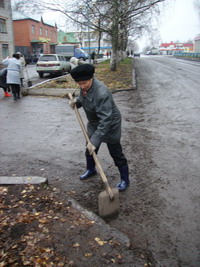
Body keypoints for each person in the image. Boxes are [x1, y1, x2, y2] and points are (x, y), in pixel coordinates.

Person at [69, 64, 130, 191]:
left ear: (92, 78)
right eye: (79, 84)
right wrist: (77, 101)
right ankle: (91, 169)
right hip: (94, 122)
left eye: (84, 83)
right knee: (89, 149)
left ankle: (125, 180)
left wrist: (95, 141)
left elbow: (106, 120)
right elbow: (85, 97)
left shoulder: (102, 92)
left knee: (115, 152)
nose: (82, 86)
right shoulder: (84, 86)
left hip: (110, 123)